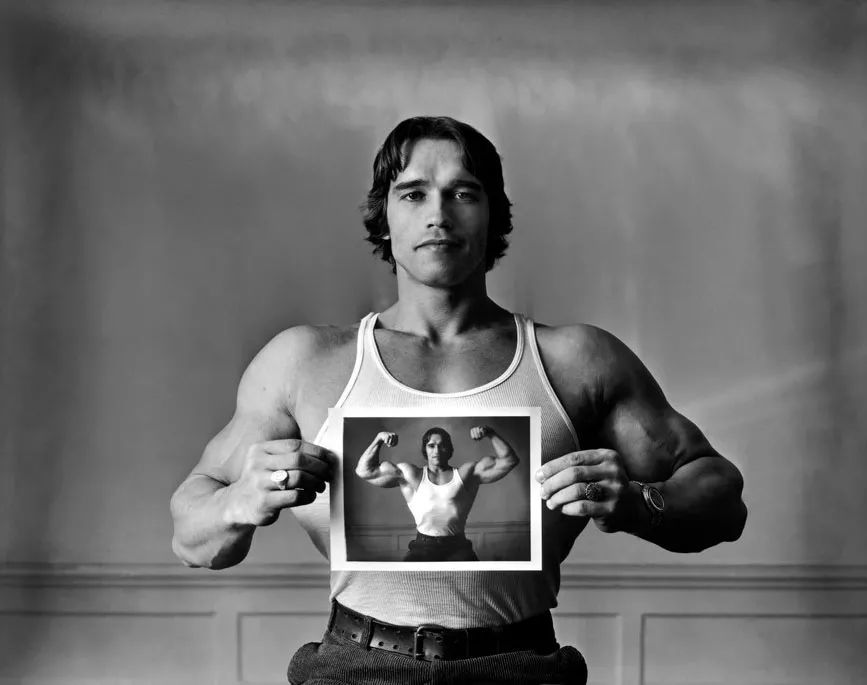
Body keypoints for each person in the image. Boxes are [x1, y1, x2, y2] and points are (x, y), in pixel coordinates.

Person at [170, 115, 748, 684]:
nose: (438, 214)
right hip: (353, 669)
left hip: (520, 670)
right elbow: (192, 539)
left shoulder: (576, 362)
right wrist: (238, 501)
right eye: (413, 193)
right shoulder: (302, 363)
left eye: (463, 193)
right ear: (384, 216)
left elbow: (724, 502)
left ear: (492, 214)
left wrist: (638, 503)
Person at [355, 425, 520, 562]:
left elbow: (510, 460)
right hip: (422, 547)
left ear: (449, 449)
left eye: (442, 445)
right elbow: (364, 471)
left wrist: (491, 433)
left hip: (458, 548)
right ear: (425, 449)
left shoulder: (466, 474)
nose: (437, 450)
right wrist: (378, 439)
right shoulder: (411, 475)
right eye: (431, 445)